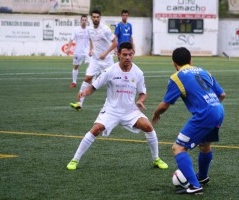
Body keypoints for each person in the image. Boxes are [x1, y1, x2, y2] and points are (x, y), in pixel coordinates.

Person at [66, 42, 168, 170]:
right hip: (111, 111)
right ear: (118, 54)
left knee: (148, 126)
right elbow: (93, 87)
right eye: (124, 54)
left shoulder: (138, 73)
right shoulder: (110, 71)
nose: (127, 57)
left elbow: (143, 93)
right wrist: (84, 93)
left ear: (133, 54)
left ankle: (156, 159)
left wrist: (140, 101)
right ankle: (75, 160)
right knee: (96, 128)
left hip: (130, 111)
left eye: (130, 55)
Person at [152, 47, 226, 195]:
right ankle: (203, 177)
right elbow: (222, 94)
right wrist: (211, 106)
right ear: (191, 60)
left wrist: (156, 113)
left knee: (177, 148)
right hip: (218, 110)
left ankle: (194, 185)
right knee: (204, 145)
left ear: (174, 63)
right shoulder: (204, 71)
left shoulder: (177, 77)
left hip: (205, 114)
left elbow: (166, 104)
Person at [70, 9, 117, 110]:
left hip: (107, 60)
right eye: (94, 17)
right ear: (91, 18)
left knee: (113, 82)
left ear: (100, 18)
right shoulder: (89, 29)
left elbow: (114, 43)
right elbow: (91, 39)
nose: (96, 19)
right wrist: (91, 49)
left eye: (97, 17)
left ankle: (117, 103)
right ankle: (79, 103)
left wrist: (105, 53)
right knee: (87, 78)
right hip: (95, 59)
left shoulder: (105, 29)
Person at [67, 15, 90, 88]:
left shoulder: (89, 30)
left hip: (87, 51)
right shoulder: (76, 29)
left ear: (87, 21)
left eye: (85, 20)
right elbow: (71, 39)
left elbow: (93, 40)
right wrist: (68, 48)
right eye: (82, 20)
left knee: (91, 66)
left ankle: (89, 82)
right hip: (78, 51)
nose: (84, 21)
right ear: (80, 21)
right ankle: (74, 82)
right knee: (75, 67)